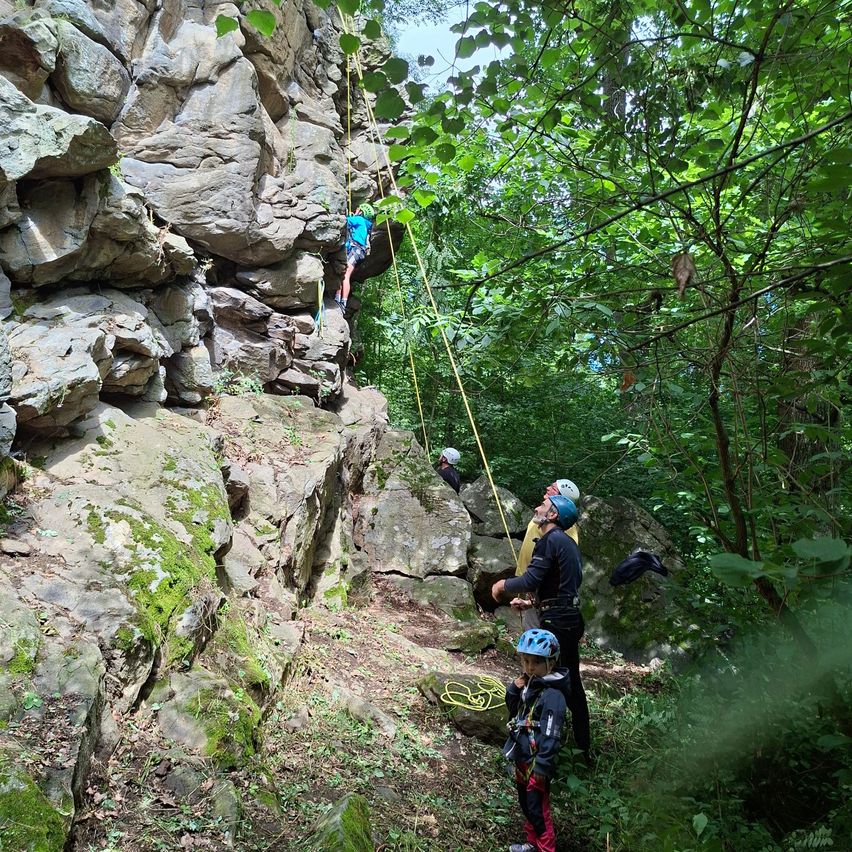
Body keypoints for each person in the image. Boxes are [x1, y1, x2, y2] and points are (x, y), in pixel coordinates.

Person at [492, 493, 591, 762]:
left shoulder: (550, 540)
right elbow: (562, 584)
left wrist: (502, 585)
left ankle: (534, 747)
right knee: (569, 682)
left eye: (544, 506)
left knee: (542, 678)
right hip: (568, 617)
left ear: (553, 515)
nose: (538, 507)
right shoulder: (567, 543)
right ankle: (581, 748)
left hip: (557, 620)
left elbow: (531, 579)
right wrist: (532, 603)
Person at [503, 628, 569, 852]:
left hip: (537, 761)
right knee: (526, 803)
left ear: (551, 663)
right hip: (523, 755)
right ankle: (532, 844)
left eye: (536, 663)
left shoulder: (553, 695)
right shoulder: (531, 684)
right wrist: (513, 690)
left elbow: (551, 732)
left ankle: (545, 848)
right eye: (526, 661)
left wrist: (543, 763)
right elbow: (515, 710)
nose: (530, 667)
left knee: (537, 807)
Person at [513, 479, 580, 631]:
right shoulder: (543, 513)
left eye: (553, 488)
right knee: (530, 624)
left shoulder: (564, 528)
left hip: (540, 584)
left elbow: (562, 563)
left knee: (536, 628)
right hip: (529, 578)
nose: (548, 488)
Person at [335, 206, 373, 311]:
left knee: (345, 274)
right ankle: (339, 299)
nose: (356, 210)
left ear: (361, 212)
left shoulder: (359, 220)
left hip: (355, 249)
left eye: (358, 209)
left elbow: (346, 221)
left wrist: (351, 215)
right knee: (343, 272)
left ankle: (341, 301)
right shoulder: (366, 225)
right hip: (358, 251)